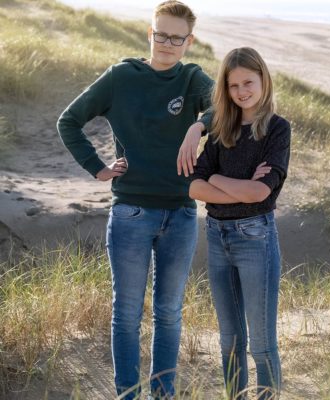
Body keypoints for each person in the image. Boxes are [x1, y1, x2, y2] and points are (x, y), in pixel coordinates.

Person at [57, 2, 213, 399]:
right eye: (161, 34)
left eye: (176, 38)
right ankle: (126, 393)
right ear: (151, 32)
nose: (167, 43)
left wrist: (198, 125)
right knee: (126, 314)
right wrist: (98, 168)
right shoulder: (121, 76)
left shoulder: (192, 78)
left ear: (188, 42)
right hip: (131, 212)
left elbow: (223, 107)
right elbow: (69, 121)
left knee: (169, 313)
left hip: (180, 213)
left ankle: (164, 394)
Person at [189, 47, 291, 399]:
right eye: (233, 86)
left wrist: (216, 179)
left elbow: (261, 192)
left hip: (256, 239)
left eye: (248, 82)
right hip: (217, 237)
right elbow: (193, 186)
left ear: (263, 78)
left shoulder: (277, 129)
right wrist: (239, 187)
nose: (241, 91)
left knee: (261, 343)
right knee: (230, 341)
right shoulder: (221, 129)